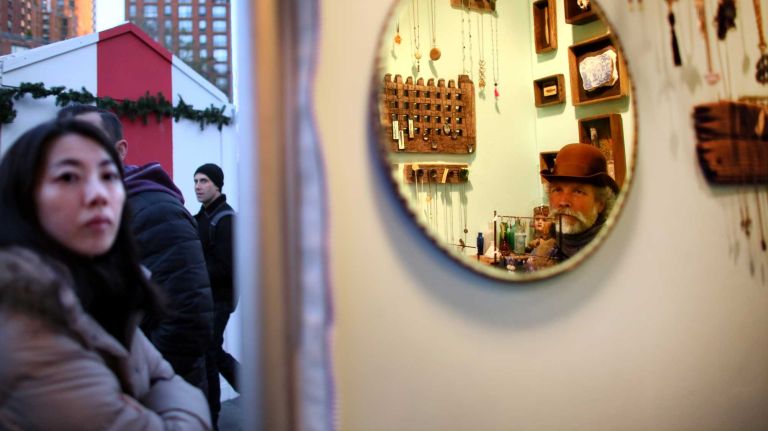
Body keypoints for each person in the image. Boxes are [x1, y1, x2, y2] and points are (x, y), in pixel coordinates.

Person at [0, 119, 211, 429]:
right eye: (69, 177)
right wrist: (161, 401)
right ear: (23, 196)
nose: (98, 194)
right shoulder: (29, 331)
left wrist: (152, 393)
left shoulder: (97, 287)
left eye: (109, 176)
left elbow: (165, 368)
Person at [57, 105, 214, 399]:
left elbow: (187, 321)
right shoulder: (68, 214)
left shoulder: (154, 210)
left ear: (120, 150)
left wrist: (135, 387)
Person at [193, 163, 240, 428]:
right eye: (196, 181)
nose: (198, 186)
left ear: (217, 185)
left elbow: (226, 267)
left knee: (210, 352)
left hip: (220, 300)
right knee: (210, 351)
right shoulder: (201, 217)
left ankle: (211, 416)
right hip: (203, 298)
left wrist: (194, 270)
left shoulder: (226, 220)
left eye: (204, 181)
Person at [538, 143, 618, 264]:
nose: (563, 201)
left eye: (578, 191)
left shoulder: (618, 256)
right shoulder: (543, 255)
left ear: (600, 204)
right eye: (557, 190)